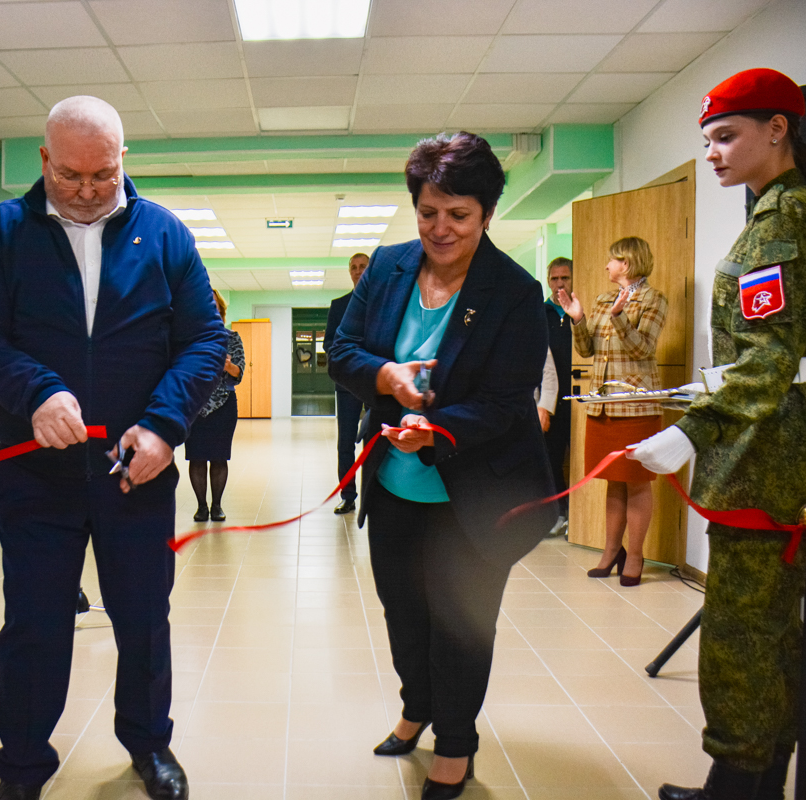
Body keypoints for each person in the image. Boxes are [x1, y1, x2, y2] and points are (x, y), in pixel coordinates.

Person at [0, 96, 225, 800]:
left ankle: (149, 744)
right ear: (44, 161)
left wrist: (165, 426)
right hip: (37, 474)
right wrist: (36, 392)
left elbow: (203, 340)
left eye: (102, 174)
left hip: (138, 470)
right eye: (70, 175)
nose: (86, 191)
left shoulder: (162, 233)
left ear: (123, 160)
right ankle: (25, 764)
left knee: (143, 618)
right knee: (36, 623)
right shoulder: (1, 232)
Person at [329, 132, 555, 800]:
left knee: (461, 621)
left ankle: (455, 741)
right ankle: (415, 706)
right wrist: (386, 375)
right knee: (402, 609)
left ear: (486, 214)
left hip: (473, 492)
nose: (440, 228)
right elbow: (343, 350)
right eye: (429, 212)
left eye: (458, 215)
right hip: (395, 486)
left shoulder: (514, 291)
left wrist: (437, 428)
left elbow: (508, 400)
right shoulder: (391, 268)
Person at [629, 68, 806, 800]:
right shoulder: (793, 212)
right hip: (783, 445)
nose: (713, 152)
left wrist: (688, 433)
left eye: (726, 136)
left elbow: (771, 360)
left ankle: (735, 789)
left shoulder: (781, 226)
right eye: (708, 140)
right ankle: (754, 782)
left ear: (778, 129)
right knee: (772, 630)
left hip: (764, 455)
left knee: (743, 636)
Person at [556, 237, 667, 586]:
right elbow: (588, 350)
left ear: (629, 262)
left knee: (636, 482)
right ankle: (610, 552)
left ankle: (634, 555)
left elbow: (642, 349)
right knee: (613, 482)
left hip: (635, 404)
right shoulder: (604, 299)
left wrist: (619, 318)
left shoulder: (654, 300)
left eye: (613, 260)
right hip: (603, 405)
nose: (607, 266)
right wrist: (577, 320)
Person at [187, 289, 245, 522]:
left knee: (219, 457)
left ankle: (217, 505)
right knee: (197, 457)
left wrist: (228, 366)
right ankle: (201, 507)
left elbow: (239, 373)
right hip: (194, 405)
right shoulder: (188, 337)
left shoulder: (232, 338)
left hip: (223, 405)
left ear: (221, 311)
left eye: (216, 307)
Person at [323, 252, 369, 514]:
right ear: (349, 272)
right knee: (346, 443)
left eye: (363, 266)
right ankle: (348, 496)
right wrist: (345, 363)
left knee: (377, 438)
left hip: (378, 385)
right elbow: (329, 343)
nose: (358, 270)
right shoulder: (339, 305)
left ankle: (377, 495)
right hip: (349, 384)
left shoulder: (386, 303)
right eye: (354, 267)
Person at [542, 257, 574, 535]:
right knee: (551, 459)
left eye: (565, 278)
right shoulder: (541, 313)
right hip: (552, 400)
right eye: (554, 279)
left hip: (579, 397)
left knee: (579, 459)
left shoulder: (579, 313)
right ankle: (559, 513)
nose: (559, 283)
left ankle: (581, 517)